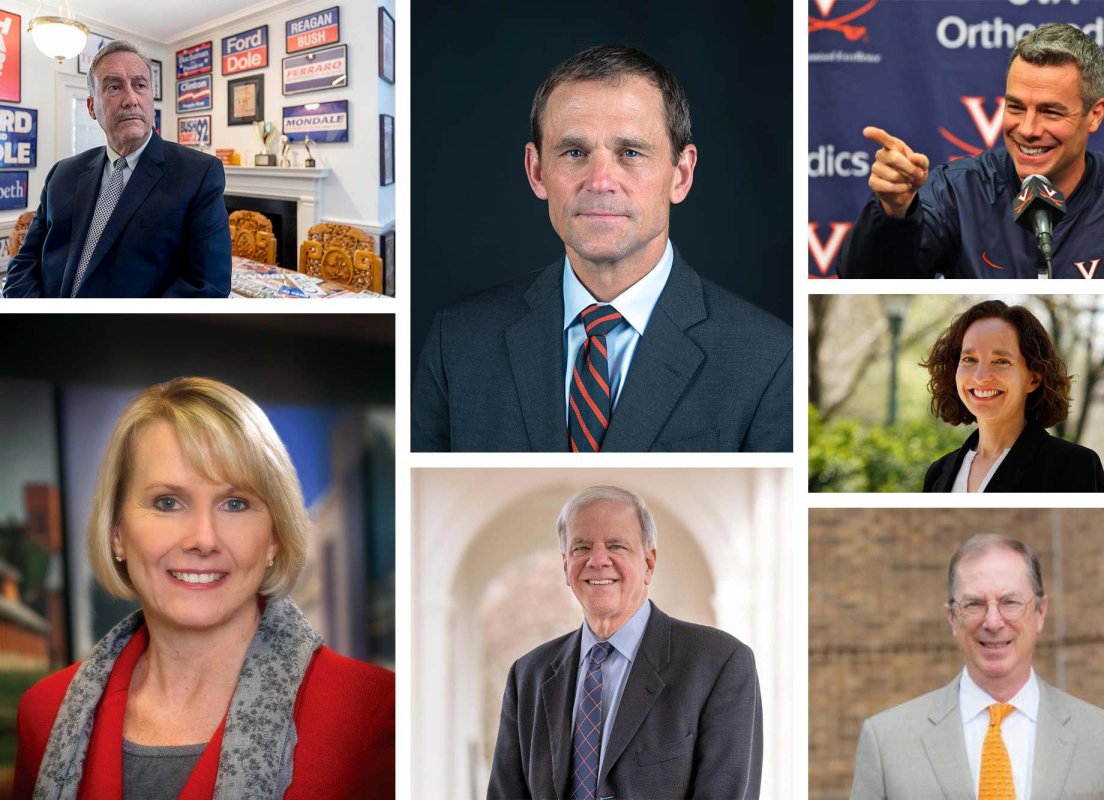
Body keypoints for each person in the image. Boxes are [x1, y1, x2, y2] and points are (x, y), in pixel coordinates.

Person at [13, 378, 393, 798]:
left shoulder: (371, 711)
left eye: (235, 504)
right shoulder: (45, 714)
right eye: (167, 502)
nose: (203, 539)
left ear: (274, 536)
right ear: (118, 532)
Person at [412, 45, 791, 452]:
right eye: (575, 153)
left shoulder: (769, 357)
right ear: (537, 171)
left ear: (680, 175)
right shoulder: (457, 340)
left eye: (630, 153)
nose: (600, 181)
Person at [839, 23, 1104, 278]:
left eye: (1050, 111)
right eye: (1016, 107)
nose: (1029, 130)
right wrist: (894, 211)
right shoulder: (957, 192)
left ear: (1094, 114)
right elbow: (863, 281)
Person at [487, 486, 762, 799]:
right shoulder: (528, 676)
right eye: (581, 548)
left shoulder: (719, 663)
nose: (598, 560)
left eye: (616, 546)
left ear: (648, 563)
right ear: (566, 566)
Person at [850, 534, 1104, 799]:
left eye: (1010, 602)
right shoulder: (886, 743)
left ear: (1040, 612)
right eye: (974, 604)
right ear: (952, 618)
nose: (992, 622)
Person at [3, 41, 232, 297]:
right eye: (114, 87)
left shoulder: (198, 173)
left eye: (140, 85)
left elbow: (206, 286)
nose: (131, 99)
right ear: (91, 107)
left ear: (151, 100)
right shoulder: (62, 174)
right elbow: (24, 264)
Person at [921, 300, 1104, 492]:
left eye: (1001, 361)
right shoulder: (938, 473)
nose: (980, 377)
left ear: (1033, 380)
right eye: (969, 359)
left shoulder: (1073, 466)